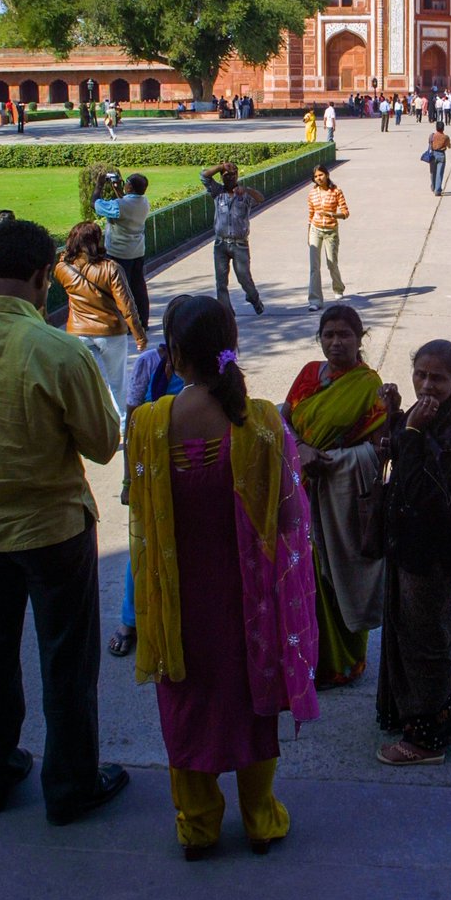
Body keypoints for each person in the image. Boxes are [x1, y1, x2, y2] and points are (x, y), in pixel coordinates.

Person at [128, 296, 318, 858]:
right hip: (248, 605)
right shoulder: (259, 420)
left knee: (186, 706)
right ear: (230, 344)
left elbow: (139, 509)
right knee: (251, 702)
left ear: (175, 354)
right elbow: (288, 518)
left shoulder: (147, 424)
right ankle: (261, 819)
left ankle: (197, 825)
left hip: (179, 604)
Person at [0, 219, 127, 824]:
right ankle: (68, 787)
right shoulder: (54, 350)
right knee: (66, 660)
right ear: (45, 278)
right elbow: (101, 444)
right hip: (53, 532)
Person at [376, 339, 451, 765]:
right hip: (409, 546)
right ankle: (424, 716)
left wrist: (413, 430)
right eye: (421, 374)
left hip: (433, 553)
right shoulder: (432, 417)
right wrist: (396, 417)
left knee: (428, 641)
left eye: (438, 378)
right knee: (410, 633)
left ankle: (426, 740)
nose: (427, 384)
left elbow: (422, 492)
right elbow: (397, 453)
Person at [281, 305, 386, 689]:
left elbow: (378, 450)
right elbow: (283, 420)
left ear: (360, 339)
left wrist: (332, 461)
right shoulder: (309, 374)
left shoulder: (370, 386)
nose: (336, 342)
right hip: (301, 494)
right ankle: (310, 660)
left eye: (345, 335)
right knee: (305, 575)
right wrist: (301, 449)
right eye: (329, 335)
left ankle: (345, 663)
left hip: (341, 498)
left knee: (339, 574)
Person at [108, 296, 189, 658]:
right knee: (142, 546)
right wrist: (128, 481)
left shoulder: (210, 365)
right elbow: (133, 423)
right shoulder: (149, 364)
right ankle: (131, 621)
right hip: (150, 469)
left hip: (192, 470)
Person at [54, 222, 146, 427]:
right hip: (111, 331)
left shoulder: (62, 269)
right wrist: (139, 335)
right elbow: (127, 305)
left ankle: (93, 425)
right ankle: (123, 424)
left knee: (91, 385)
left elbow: (62, 262)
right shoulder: (111, 268)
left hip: (78, 333)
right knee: (118, 383)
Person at [200, 161, 265, 316]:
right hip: (221, 243)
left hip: (239, 244)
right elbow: (204, 176)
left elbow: (261, 198)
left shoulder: (244, 194)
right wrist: (221, 166)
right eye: (225, 175)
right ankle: (226, 311)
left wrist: (247, 190)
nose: (229, 178)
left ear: (237, 175)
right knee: (221, 282)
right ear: (221, 177)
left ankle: (254, 298)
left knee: (244, 278)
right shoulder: (217, 192)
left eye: (232, 175)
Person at [92, 171, 151, 328]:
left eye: (127, 183)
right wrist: (118, 191)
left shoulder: (120, 206)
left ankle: (126, 324)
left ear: (130, 187)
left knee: (121, 290)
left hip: (119, 253)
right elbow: (126, 204)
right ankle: (142, 321)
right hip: (137, 251)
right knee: (138, 286)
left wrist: (99, 185)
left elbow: (96, 205)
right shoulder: (144, 202)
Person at [307, 165, 349, 312]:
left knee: (331, 263)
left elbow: (345, 213)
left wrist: (332, 215)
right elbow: (311, 215)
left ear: (327, 174)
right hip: (315, 230)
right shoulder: (312, 194)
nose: (319, 178)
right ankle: (315, 300)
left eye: (321, 175)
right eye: (316, 176)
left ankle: (338, 288)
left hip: (331, 231)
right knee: (314, 266)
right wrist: (308, 234)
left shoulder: (336, 191)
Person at [429, 120, 451, 196]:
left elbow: (429, 143)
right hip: (441, 155)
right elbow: (449, 146)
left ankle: (433, 186)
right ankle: (437, 190)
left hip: (433, 154)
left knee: (433, 172)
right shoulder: (445, 137)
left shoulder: (432, 136)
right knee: (439, 173)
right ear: (443, 128)